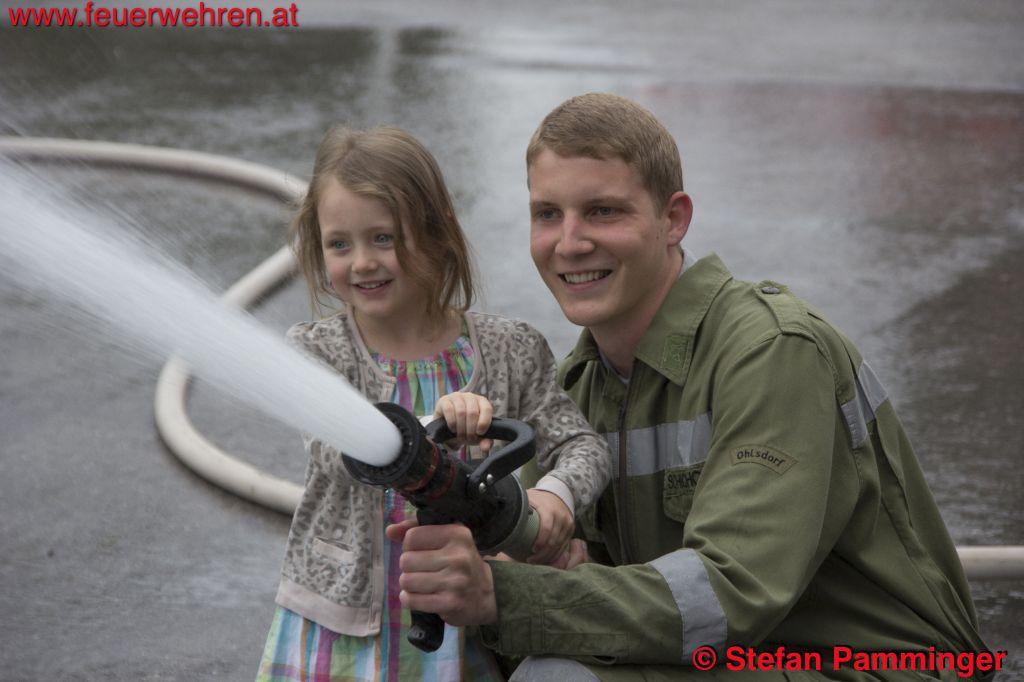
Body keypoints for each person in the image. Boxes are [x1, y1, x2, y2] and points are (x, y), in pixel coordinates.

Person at [388, 94, 990, 680]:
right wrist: (496, 551)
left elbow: (731, 593)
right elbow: (584, 587)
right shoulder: (579, 388)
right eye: (548, 214)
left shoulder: (773, 353)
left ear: (673, 219)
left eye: (603, 211)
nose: (569, 243)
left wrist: (502, 594)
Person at [256, 125, 611, 681]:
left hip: (469, 628)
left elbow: (583, 446)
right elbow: (336, 451)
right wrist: (433, 425)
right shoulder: (317, 352)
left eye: (383, 238)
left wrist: (555, 497)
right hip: (342, 631)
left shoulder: (510, 349)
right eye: (339, 244)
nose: (362, 262)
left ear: (437, 234)